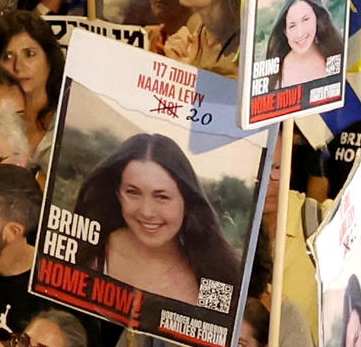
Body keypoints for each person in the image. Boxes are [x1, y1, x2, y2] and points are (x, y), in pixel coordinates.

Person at [73, 129, 245, 306]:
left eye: (161, 197)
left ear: (187, 201)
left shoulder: (213, 275)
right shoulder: (89, 252)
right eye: (133, 192)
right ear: (117, 194)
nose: (146, 211)